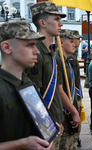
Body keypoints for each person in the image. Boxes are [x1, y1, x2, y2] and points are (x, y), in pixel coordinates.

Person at [25, 2, 80, 149]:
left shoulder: (48, 52)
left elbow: (56, 89)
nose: (61, 24)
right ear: (42, 23)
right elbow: (33, 96)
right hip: (46, 128)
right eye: (56, 19)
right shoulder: (35, 52)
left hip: (55, 121)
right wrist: (47, 124)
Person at [0, 21, 53, 149]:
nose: (37, 52)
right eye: (30, 45)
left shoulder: (26, 81)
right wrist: (23, 144)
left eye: (36, 45)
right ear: (7, 47)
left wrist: (48, 127)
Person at [56, 29, 80, 150]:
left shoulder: (66, 60)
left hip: (71, 105)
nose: (75, 44)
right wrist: (74, 111)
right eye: (71, 41)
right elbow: (59, 91)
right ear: (61, 42)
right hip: (63, 111)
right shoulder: (57, 59)